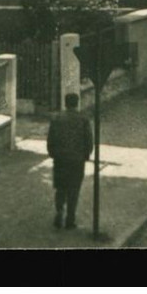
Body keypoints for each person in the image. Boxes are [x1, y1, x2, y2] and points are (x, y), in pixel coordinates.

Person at [47, 93, 93, 230]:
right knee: (74, 189)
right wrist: (85, 155)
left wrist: (53, 154)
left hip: (60, 159)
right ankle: (70, 219)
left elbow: (51, 139)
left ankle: (59, 211)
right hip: (77, 160)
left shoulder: (56, 118)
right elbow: (89, 140)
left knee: (60, 187)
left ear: (65, 103)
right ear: (77, 103)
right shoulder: (83, 119)